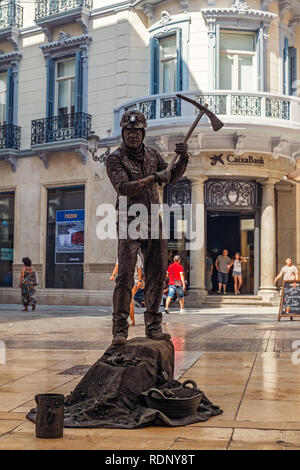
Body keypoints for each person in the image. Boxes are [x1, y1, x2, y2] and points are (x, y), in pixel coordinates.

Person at [106, 109, 189, 345]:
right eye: (128, 131)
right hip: (129, 220)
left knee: (156, 274)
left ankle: (153, 326)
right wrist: (154, 178)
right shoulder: (115, 158)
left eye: (136, 131)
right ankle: (119, 330)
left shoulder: (153, 154)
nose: (132, 135)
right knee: (125, 277)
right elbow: (123, 187)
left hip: (154, 219)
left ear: (143, 132)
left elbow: (170, 176)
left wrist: (183, 159)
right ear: (123, 132)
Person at [110, 250, 144, 326]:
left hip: (134, 280)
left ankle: (131, 320)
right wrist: (113, 275)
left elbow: (139, 269)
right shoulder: (121, 255)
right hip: (124, 280)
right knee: (125, 300)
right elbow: (117, 265)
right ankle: (128, 319)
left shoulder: (137, 256)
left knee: (129, 300)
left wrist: (139, 280)